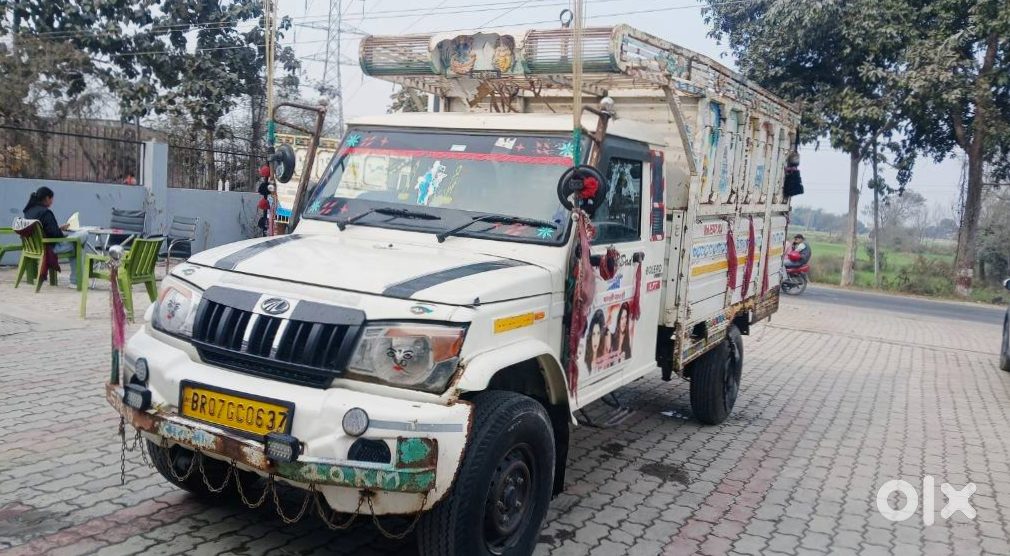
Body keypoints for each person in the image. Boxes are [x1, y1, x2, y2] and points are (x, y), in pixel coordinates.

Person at [22, 186, 87, 287]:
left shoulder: (28, 211)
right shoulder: (45, 212)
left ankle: (76, 281)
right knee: (82, 236)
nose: (52, 201)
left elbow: (45, 230)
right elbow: (55, 234)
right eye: (52, 199)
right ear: (47, 198)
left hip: (35, 247)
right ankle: (75, 281)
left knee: (78, 245)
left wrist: (59, 228)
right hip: (51, 248)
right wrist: (61, 232)